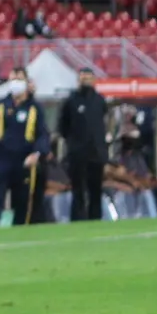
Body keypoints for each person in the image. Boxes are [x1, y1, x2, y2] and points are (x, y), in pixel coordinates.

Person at [0, 67, 49, 226]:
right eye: (13, 80)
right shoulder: (1, 106)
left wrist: (36, 154)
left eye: (19, 80)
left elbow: (43, 135)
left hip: (23, 162)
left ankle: (19, 235)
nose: (15, 84)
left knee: (22, 203)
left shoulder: (34, 108)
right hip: (1, 161)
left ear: (26, 82)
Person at [58, 68, 107, 222]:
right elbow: (63, 127)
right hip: (77, 154)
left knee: (96, 190)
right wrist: (73, 143)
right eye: (83, 78)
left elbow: (103, 123)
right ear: (78, 80)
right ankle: (78, 220)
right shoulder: (71, 101)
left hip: (96, 153)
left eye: (88, 78)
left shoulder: (100, 100)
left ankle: (95, 219)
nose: (85, 80)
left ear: (93, 80)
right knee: (78, 190)